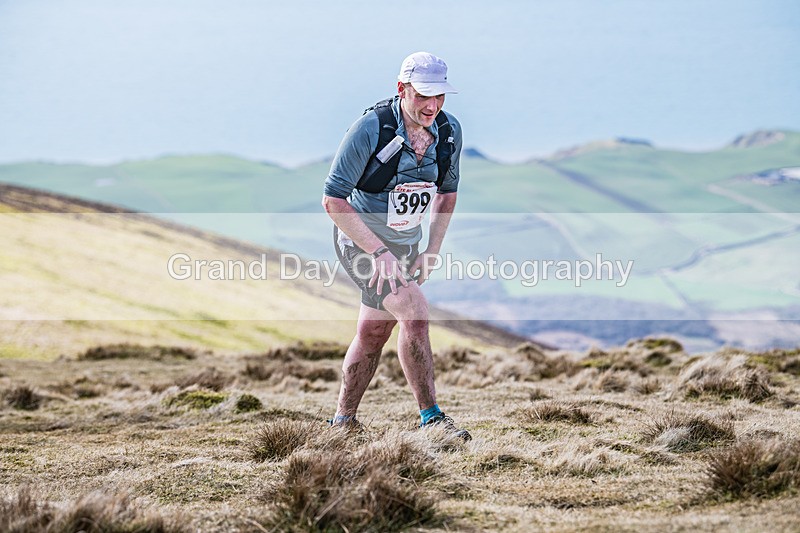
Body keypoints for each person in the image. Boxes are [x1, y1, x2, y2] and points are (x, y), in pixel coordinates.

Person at [321, 51, 470, 440]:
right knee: (415, 312)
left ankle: (343, 422)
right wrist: (379, 252)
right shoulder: (370, 129)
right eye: (423, 96)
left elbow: (447, 195)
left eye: (439, 97)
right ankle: (432, 419)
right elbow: (334, 201)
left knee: (373, 333)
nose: (432, 106)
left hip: (407, 245)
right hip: (361, 242)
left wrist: (432, 249)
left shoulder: (449, 131)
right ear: (402, 89)